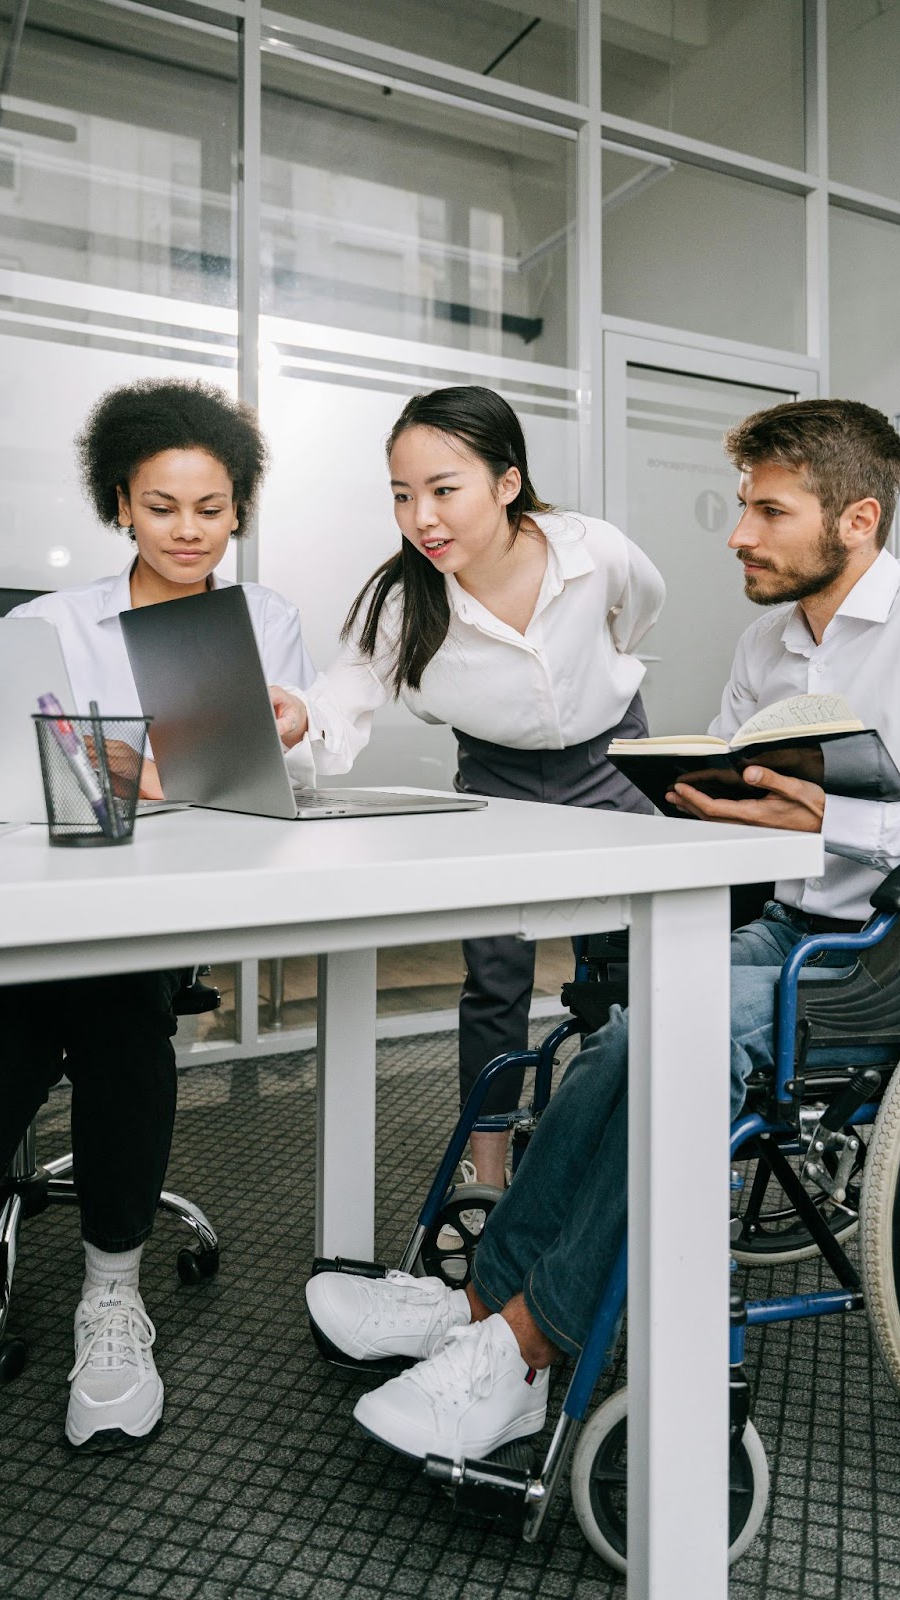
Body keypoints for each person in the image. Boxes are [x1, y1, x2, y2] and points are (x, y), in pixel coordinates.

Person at [305, 397, 900, 1465]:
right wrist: (699, 804)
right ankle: (480, 1305)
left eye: (766, 511)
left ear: (857, 518)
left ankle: (528, 1344)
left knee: (672, 1032)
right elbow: (744, 808)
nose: (736, 534)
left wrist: (841, 818)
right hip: (797, 931)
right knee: (618, 1034)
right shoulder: (766, 643)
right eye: (741, 506)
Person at [0, 378, 317, 1454]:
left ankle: (111, 1298)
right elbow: (22, 779)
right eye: (164, 507)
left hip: (166, 906)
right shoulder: (46, 624)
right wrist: (147, 773)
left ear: (238, 510)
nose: (190, 531)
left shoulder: (260, 620)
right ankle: (106, 1283)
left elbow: (247, 785)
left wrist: (178, 768)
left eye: (211, 509)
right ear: (121, 505)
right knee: (1, 1023)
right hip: (44, 899)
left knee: (108, 999)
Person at [277, 384, 665, 1191]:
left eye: (443, 490)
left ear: (507, 483)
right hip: (496, 775)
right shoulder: (400, 600)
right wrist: (293, 718)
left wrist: (598, 687)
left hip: (615, 755)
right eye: (401, 495)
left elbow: (639, 613)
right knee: (495, 975)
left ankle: (621, 1137)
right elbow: (338, 699)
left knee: (638, 952)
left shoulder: (591, 550)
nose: (422, 517)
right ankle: (484, 1174)